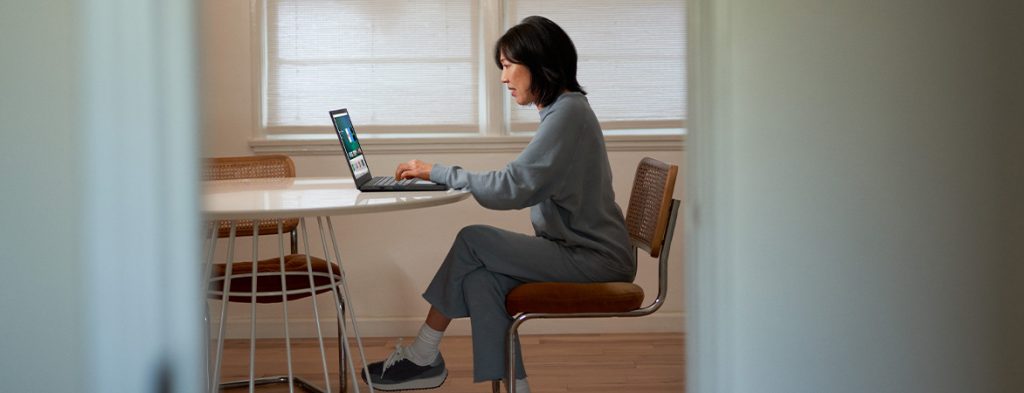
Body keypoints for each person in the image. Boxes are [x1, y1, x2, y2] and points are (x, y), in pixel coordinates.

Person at [360, 16, 634, 393]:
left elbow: (511, 188)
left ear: (538, 62)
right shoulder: (564, 111)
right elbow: (521, 183)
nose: (503, 78)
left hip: (595, 257)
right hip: (573, 249)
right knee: (480, 279)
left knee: (473, 239)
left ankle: (423, 355)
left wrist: (435, 170)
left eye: (507, 66)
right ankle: (513, 386)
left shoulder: (569, 114)